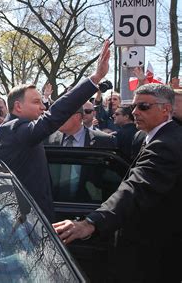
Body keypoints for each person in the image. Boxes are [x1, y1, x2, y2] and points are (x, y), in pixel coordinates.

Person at [53, 84, 182, 282]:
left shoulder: (167, 144)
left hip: (154, 251)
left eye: (144, 107)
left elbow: (136, 187)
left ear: (166, 109)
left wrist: (90, 223)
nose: (135, 112)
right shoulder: (145, 137)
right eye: (134, 107)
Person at [0, 40, 111, 221]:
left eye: (42, 102)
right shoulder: (13, 129)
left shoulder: (16, 130)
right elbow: (52, 117)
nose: (43, 108)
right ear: (18, 106)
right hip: (24, 223)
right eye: (36, 102)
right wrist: (94, 79)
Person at [46, 106, 116, 148]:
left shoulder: (104, 140)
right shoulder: (48, 139)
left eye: (61, 114)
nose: (57, 118)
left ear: (77, 116)